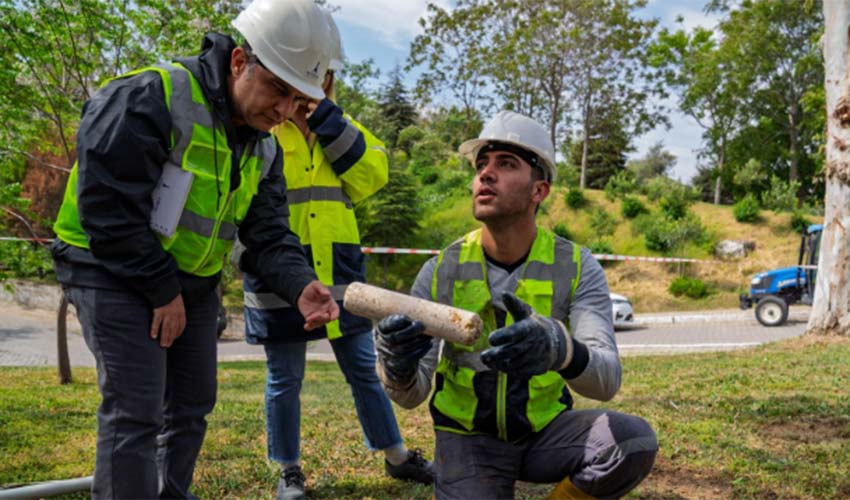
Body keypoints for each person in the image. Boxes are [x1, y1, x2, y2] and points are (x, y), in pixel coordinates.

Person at [50, 0, 340, 497]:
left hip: (192, 282)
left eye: (297, 100)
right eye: (277, 90)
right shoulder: (150, 95)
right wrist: (163, 291)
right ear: (238, 62)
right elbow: (106, 209)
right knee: (136, 408)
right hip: (106, 265)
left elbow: (268, 234)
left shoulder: (265, 147)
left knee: (191, 405)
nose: (284, 111)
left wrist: (299, 285)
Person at [373, 111, 658, 499]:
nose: (485, 175)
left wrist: (561, 349)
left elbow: (606, 381)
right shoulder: (441, 269)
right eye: (481, 166)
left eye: (506, 164)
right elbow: (410, 396)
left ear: (539, 190)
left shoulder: (575, 265)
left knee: (632, 441)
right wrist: (397, 364)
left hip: (546, 434)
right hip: (468, 439)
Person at [241, 9, 433, 500]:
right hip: (278, 276)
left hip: (343, 278)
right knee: (284, 379)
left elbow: (373, 176)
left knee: (364, 371)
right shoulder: (263, 128)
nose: (304, 91)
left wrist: (325, 119)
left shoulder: (342, 129)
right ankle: (288, 471)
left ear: (328, 81)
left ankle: (395, 457)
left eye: (317, 80)